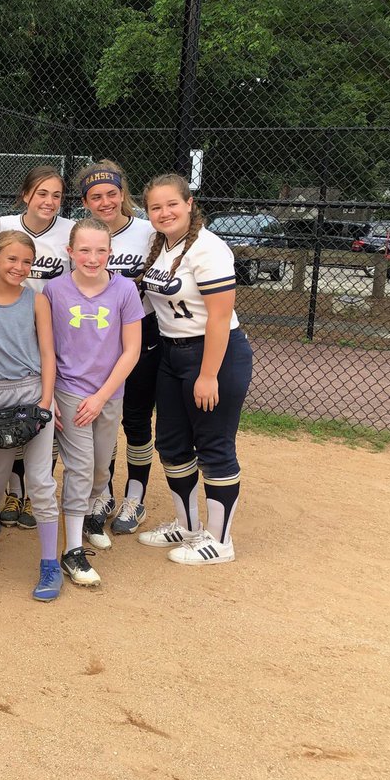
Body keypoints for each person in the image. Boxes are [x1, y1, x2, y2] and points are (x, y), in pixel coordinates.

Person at [137, 173, 253, 565]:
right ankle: (187, 527)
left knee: (214, 447)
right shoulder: (162, 246)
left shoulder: (209, 249)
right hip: (172, 354)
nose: (164, 212)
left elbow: (219, 319)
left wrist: (208, 375)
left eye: (172, 204)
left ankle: (220, 541)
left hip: (213, 355)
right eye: (156, 207)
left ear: (189, 204)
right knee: (171, 444)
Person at [43, 219, 143, 587]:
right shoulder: (54, 290)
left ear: (110, 253)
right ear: (70, 252)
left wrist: (102, 397)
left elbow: (131, 350)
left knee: (101, 471)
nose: (92, 257)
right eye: (84, 250)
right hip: (70, 390)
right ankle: (71, 550)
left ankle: (86, 516)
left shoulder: (124, 290)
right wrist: (50, 393)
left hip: (108, 393)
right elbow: (48, 347)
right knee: (81, 468)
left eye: (101, 250)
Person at [0, 231, 62, 601]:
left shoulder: (36, 301)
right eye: (11, 259)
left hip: (34, 393)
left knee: (40, 480)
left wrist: (46, 401)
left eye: (26, 261)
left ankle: (49, 563)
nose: (19, 268)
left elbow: (48, 353)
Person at [77, 160, 160, 544]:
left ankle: (135, 498)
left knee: (136, 418)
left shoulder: (146, 231)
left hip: (140, 333)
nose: (106, 201)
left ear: (123, 193)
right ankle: (102, 494)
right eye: (96, 196)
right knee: (99, 420)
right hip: (94, 336)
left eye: (112, 193)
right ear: (85, 202)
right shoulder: (84, 235)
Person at [0, 166, 72, 528]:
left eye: (56, 195)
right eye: (42, 193)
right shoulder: (2, 225)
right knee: (9, 414)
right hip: (7, 325)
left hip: (50, 325)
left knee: (43, 413)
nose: (49, 201)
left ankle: (32, 491)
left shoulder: (69, 230)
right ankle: (13, 489)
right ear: (26, 195)